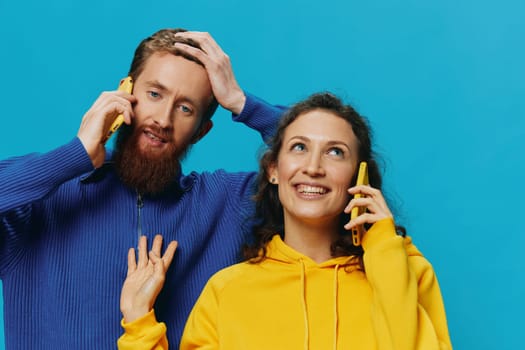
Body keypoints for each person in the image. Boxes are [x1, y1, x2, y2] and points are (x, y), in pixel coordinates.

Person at [0, 28, 285, 349]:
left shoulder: (228, 205)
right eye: (155, 94)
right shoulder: (42, 201)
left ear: (201, 132)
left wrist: (242, 103)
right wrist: (75, 155)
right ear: (126, 91)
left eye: (185, 108)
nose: (163, 119)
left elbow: (338, 170)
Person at [119, 92, 453, 349]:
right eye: (298, 147)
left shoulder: (405, 271)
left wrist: (383, 247)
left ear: (358, 176)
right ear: (273, 170)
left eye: (336, 152)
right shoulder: (228, 291)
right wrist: (140, 328)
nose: (314, 167)